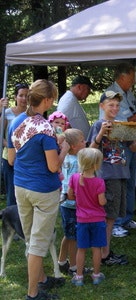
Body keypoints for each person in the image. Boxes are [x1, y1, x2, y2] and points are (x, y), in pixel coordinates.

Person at [8, 79, 70, 300]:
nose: (53, 103)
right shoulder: (45, 129)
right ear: (45, 100)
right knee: (38, 243)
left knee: (30, 238)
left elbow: (12, 159)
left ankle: (42, 279)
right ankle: (33, 294)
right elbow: (54, 166)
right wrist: (64, 148)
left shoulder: (15, 122)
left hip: (21, 187)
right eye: (52, 99)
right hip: (43, 191)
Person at [88, 90, 136, 265]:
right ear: (101, 106)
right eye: (111, 105)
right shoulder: (98, 125)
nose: (115, 108)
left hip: (121, 174)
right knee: (107, 216)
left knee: (112, 216)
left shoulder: (120, 126)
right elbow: (91, 151)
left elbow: (132, 148)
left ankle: (105, 251)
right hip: (107, 176)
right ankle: (103, 254)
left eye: (117, 105)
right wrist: (101, 133)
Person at [101, 63, 136, 238]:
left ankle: (127, 217)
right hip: (117, 145)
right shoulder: (111, 94)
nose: (133, 81)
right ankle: (116, 222)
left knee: (129, 181)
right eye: (132, 77)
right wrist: (132, 119)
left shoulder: (129, 93)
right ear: (123, 77)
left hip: (131, 143)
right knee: (117, 185)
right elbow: (118, 119)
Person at [69, 148, 107, 286]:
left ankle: (79, 277)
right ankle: (96, 275)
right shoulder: (99, 182)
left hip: (82, 219)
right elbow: (101, 201)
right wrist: (105, 200)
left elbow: (70, 195)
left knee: (81, 248)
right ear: (96, 165)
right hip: (97, 219)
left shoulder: (74, 178)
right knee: (97, 248)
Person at [57, 128, 87, 276]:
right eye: (82, 141)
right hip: (71, 203)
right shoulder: (76, 162)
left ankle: (62, 261)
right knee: (73, 236)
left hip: (64, 203)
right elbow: (71, 185)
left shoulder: (67, 158)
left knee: (68, 234)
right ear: (74, 146)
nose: (85, 142)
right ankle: (74, 267)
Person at [1, 83, 28, 206]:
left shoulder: (31, 114)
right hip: (9, 157)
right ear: (15, 97)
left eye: (26, 96)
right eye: (21, 95)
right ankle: (11, 222)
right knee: (12, 193)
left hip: (26, 157)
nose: (23, 99)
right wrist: (9, 145)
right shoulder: (7, 113)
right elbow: (1, 135)